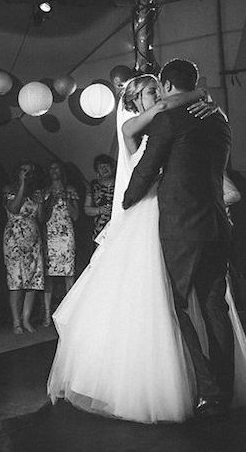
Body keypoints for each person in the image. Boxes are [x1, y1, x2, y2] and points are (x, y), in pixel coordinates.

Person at [48, 71, 246, 423]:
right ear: (135, 101)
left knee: (192, 304)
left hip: (175, 220)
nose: (157, 95)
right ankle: (199, 386)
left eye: (159, 88)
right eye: (148, 91)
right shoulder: (137, 127)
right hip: (149, 217)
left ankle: (208, 387)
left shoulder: (172, 122)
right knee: (168, 304)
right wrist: (200, 94)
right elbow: (141, 172)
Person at [123, 60, 244, 417]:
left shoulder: (170, 119)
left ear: (165, 84)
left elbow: (147, 168)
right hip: (217, 224)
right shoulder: (219, 121)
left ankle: (207, 389)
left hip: (183, 226)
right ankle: (223, 386)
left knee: (174, 306)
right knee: (213, 305)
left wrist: (127, 202)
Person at [3, 161, 45, 334]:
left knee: (32, 281)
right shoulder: (9, 190)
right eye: (24, 170)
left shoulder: (35, 193)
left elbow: (41, 219)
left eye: (30, 171)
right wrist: (21, 184)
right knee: (16, 282)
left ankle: (26, 319)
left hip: (33, 241)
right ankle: (16, 322)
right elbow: (13, 208)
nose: (27, 173)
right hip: (14, 241)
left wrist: (41, 202)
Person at [42, 160, 79, 326]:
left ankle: (69, 313)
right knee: (48, 276)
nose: (54, 170)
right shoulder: (45, 191)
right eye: (51, 168)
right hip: (50, 234)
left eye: (57, 168)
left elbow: (76, 216)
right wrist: (49, 200)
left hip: (66, 234)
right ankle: (47, 314)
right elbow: (42, 217)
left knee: (68, 273)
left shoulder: (70, 190)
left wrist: (67, 199)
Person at [83, 154, 116, 242]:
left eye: (106, 166)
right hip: (101, 230)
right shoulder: (93, 186)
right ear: (97, 172)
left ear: (112, 168)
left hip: (120, 226)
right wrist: (100, 210)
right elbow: (87, 209)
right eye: (101, 167)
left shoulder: (121, 182)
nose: (104, 169)